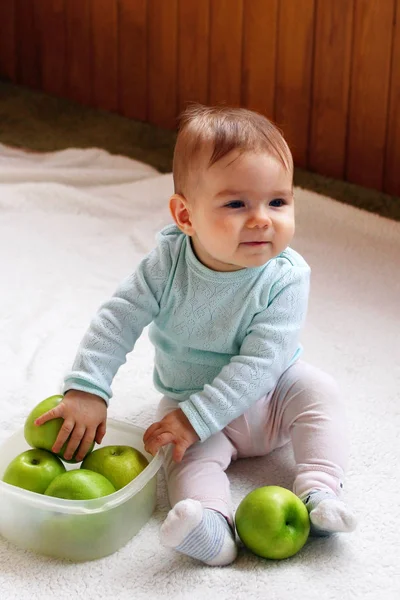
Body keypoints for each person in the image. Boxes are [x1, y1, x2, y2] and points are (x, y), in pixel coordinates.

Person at [35, 105, 356, 566]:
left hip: (275, 395)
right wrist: (88, 387)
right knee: (181, 457)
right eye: (236, 204)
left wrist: (195, 418)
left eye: (278, 201)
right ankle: (210, 526)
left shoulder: (286, 277)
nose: (262, 218)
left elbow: (261, 363)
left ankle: (319, 490)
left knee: (321, 392)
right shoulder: (167, 264)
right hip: (191, 400)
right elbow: (118, 317)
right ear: (185, 216)